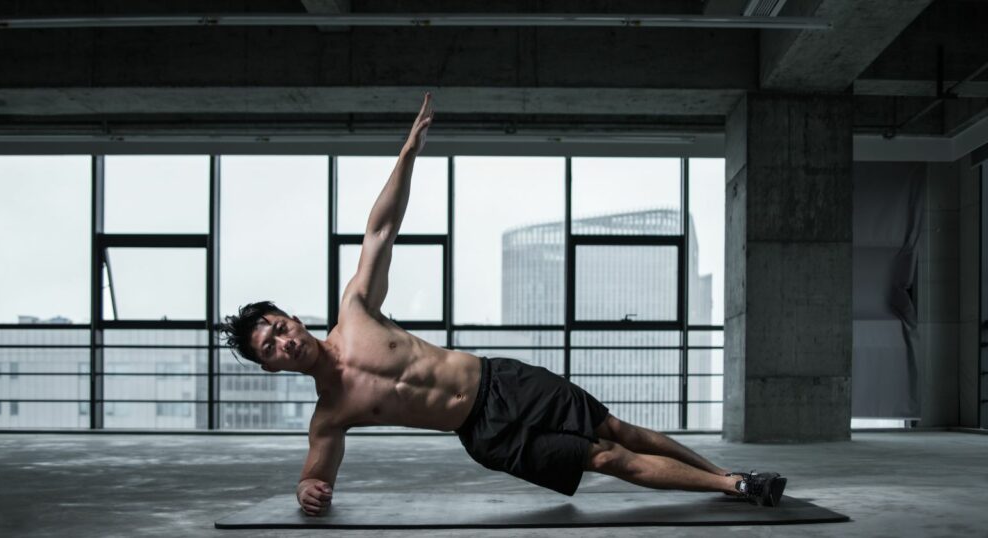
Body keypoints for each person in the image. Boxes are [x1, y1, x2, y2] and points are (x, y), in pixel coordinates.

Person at [219, 92, 787, 516]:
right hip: (486, 434)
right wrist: (304, 489)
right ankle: (734, 485)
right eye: (271, 348)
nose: (284, 341)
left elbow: (379, 230)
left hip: (503, 381)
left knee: (619, 429)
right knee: (604, 457)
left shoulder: (358, 312)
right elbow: (316, 475)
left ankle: (732, 478)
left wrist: (409, 151)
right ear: (272, 367)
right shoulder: (330, 415)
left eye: (277, 327)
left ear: (291, 317)